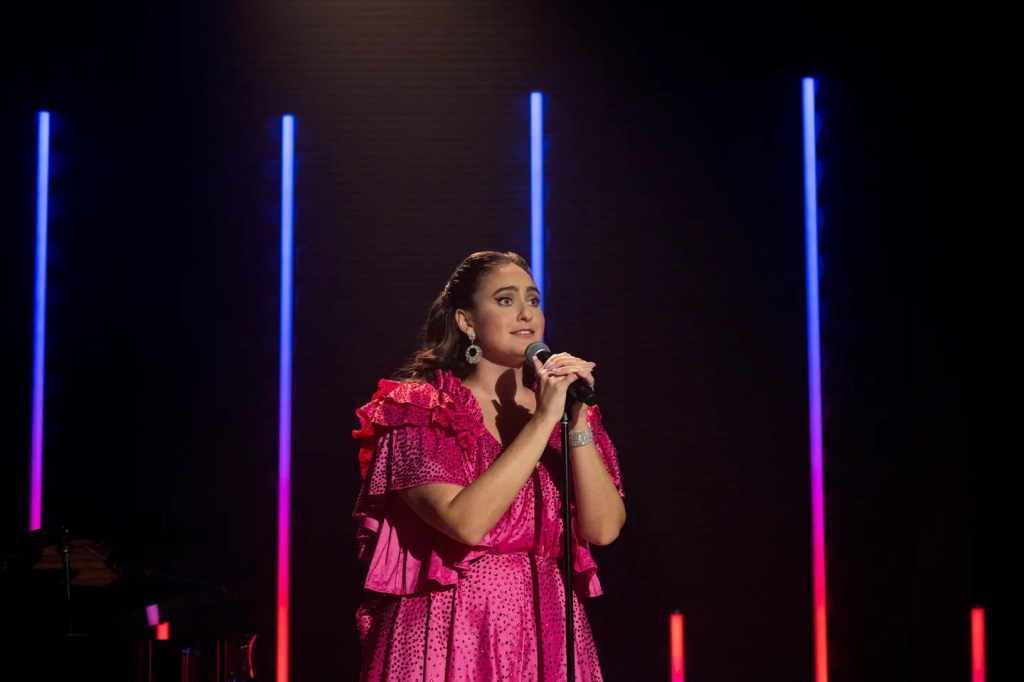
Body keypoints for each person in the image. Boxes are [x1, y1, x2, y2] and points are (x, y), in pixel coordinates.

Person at [350, 250, 626, 681]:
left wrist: (575, 422)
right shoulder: (421, 409)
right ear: (465, 321)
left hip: (546, 623)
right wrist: (543, 419)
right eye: (505, 300)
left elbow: (604, 528)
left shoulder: (564, 414)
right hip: (447, 626)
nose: (526, 314)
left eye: (533, 300)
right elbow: (465, 522)